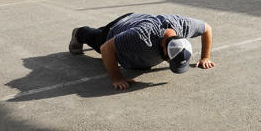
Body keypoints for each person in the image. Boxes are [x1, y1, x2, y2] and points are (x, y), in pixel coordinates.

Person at [68, 13, 214, 90]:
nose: (168, 62)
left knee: (112, 37)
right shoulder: (142, 37)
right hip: (120, 27)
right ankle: (78, 33)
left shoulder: (184, 26)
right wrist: (117, 78)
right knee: (96, 37)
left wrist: (205, 57)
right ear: (164, 47)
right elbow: (106, 49)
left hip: (138, 20)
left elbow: (207, 28)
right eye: (168, 59)